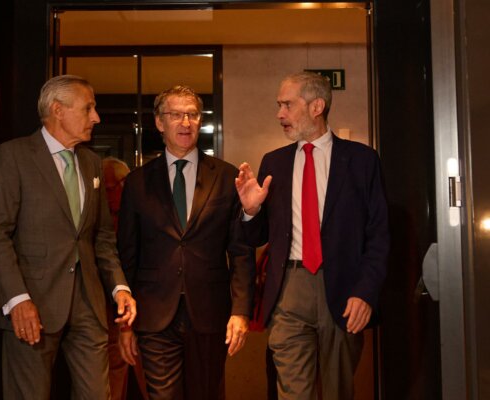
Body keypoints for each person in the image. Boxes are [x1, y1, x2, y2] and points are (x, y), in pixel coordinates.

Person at [235, 72, 389, 400]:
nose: (280, 114)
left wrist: (365, 292)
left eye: (287, 105)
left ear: (317, 106)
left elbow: (379, 236)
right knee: (292, 393)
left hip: (345, 290)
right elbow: (257, 237)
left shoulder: (362, 161)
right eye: (279, 105)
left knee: (337, 391)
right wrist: (250, 210)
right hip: (288, 290)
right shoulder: (273, 163)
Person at [0, 74, 136, 400]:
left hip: (89, 304)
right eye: (88, 108)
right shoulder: (13, 156)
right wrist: (17, 299)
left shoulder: (92, 163)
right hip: (33, 303)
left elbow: (102, 237)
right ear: (57, 110)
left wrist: (119, 287)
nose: (96, 117)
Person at [117, 85, 255, 400]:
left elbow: (241, 251)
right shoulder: (137, 183)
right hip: (154, 314)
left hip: (210, 312)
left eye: (192, 115)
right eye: (176, 114)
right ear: (159, 122)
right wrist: (125, 325)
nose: (185, 122)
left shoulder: (226, 177)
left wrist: (241, 311)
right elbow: (127, 254)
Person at [102, 156, 148, 400]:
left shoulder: (143, 213)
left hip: (145, 309)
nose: (112, 193)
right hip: (107, 311)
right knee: (112, 372)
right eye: (107, 187)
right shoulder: (98, 220)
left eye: (116, 185)